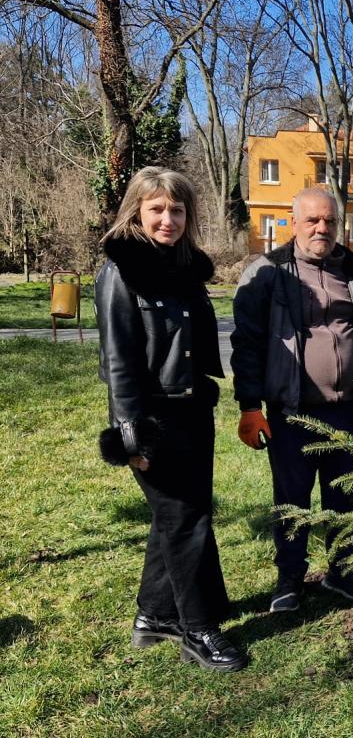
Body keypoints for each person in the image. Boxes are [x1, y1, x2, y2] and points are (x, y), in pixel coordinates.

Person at [95, 166, 245, 672]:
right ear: (136, 212)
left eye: (176, 210)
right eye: (156, 209)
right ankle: (198, 629)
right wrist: (131, 433)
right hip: (153, 417)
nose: (167, 219)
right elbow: (119, 360)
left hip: (191, 408)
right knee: (186, 519)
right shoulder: (120, 271)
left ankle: (155, 615)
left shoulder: (183, 267)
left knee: (178, 514)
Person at [230, 188, 353, 612]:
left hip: (349, 410)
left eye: (330, 221)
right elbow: (246, 344)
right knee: (292, 500)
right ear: (294, 222)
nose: (322, 228)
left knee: (343, 496)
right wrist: (250, 406)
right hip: (292, 412)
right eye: (313, 220)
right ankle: (289, 579)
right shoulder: (266, 273)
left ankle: (342, 570)